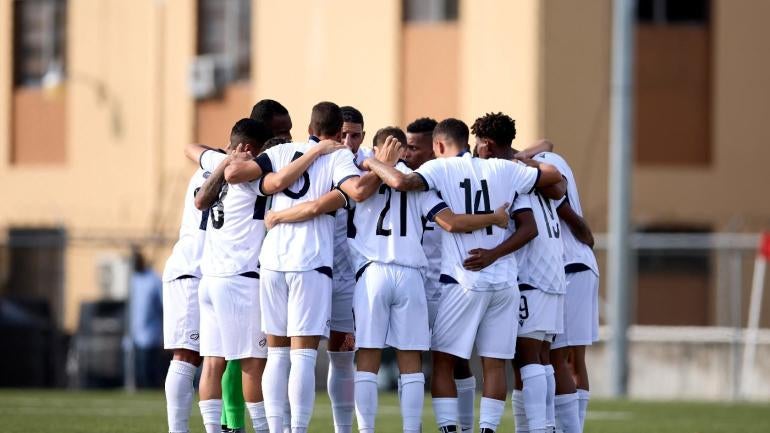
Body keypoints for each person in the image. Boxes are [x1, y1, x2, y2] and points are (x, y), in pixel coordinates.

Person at [265, 126, 511, 433]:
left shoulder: (360, 176)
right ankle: (412, 429)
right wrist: (494, 217)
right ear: (403, 150)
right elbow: (448, 221)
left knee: (367, 358)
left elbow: (324, 204)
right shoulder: (419, 182)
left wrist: (278, 216)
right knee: (411, 363)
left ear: (376, 149)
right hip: (411, 276)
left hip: (372, 275)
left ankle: (366, 429)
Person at [363, 119, 563, 433]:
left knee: (443, 361)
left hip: (465, 279)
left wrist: (370, 160)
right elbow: (554, 176)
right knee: (494, 364)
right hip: (505, 282)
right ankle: (487, 429)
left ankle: (450, 429)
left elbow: (400, 183)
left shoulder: (440, 170)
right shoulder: (502, 168)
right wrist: (522, 160)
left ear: (439, 146)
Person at [225, 101, 382, 433]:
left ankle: (275, 428)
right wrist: (382, 168)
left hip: (272, 261)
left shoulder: (281, 152)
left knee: (277, 355)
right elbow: (354, 191)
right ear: (338, 132)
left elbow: (249, 178)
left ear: (309, 128)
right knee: (303, 357)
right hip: (310, 263)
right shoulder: (339, 156)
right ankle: (297, 429)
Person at [184, 118, 344, 433]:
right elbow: (278, 181)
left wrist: (225, 159)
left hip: (211, 278)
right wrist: (316, 151)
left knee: (214, 363)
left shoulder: (220, 162)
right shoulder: (249, 174)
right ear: (248, 149)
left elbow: (193, 155)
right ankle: (263, 428)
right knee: (256, 364)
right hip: (240, 278)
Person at [472, 113, 566, 433]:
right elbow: (554, 167)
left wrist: (493, 254)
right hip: (552, 272)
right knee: (538, 356)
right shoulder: (531, 169)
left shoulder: (510, 173)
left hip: (532, 273)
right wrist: (523, 157)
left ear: (487, 144)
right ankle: (540, 426)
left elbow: (530, 228)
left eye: (477, 142)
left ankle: (540, 428)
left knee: (529, 358)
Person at [405, 117, 478, 433]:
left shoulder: (450, 176)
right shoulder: (412, 180)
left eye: (413, 147)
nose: (407, 154)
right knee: (413, 357)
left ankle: (463, 426)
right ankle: (417, 425)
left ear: (434, 148)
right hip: (416, 283)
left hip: (450, 284)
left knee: (455, 359)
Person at [522, 147, 598, 433]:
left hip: (568, 266)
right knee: (572, 360)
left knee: (556, 358)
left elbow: (568, 214)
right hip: (580, 266)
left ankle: (563, 427)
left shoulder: (541, 171)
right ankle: (568, 427)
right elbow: (547, 141)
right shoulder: (551, 158)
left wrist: (587, 234)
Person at [129, 248, 164, 389]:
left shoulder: (154, 280)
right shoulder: (133, 280)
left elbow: (163, 306)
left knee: (150, 371)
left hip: (151, 334)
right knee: (139, 372)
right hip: (135, 334)